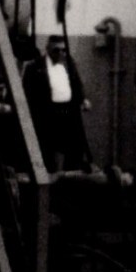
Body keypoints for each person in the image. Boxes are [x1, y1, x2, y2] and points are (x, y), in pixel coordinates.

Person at [22, 34, 93, 172]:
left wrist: (83, 99)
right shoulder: (35, 66)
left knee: (72, 145)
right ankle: (51, 174)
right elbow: (28, 91)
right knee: (50, 146)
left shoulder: (69, 63)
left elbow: (76, 83)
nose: (61, 53)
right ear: (47, 49)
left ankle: (70, 174)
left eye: (63, 50)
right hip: (47, 113)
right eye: (56, 50)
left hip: (68, 111)